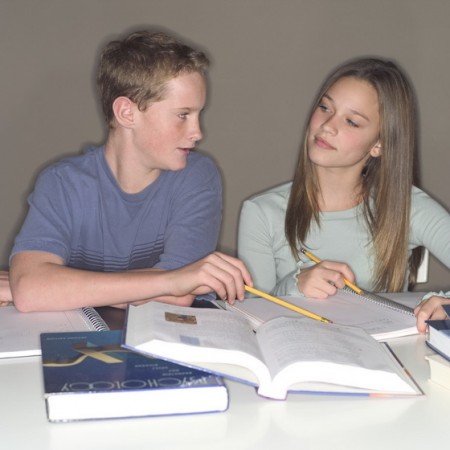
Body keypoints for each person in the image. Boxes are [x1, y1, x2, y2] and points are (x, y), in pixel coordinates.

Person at [9, 30, 252, 312]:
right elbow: (31, 290)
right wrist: (169, 281)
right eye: (183, 115)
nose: (197, 132)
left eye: (198, 115)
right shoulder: (62, 183)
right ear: (127, 113)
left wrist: (58, 289)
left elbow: (179, 296)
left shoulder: (197, 176)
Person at [237, 57, 450, 332]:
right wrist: (295, 285)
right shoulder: (261, 212)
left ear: (379, 144)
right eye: (325, 107)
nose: (327, 126)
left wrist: (444, 304)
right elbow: (251, 317)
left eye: (351, 121)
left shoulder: (407, 207)